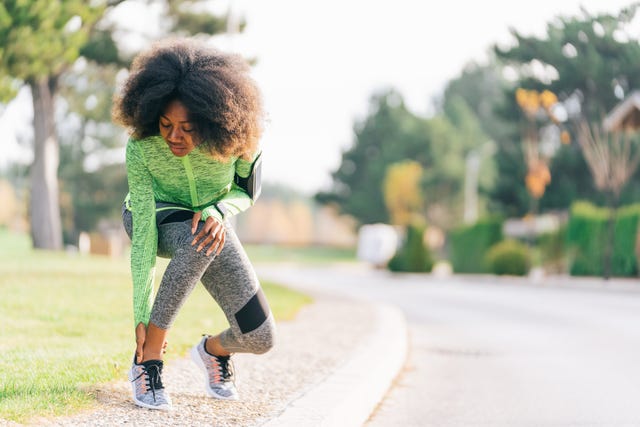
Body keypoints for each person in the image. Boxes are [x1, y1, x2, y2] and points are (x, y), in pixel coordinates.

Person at [112, 38, 275, 411]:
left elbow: (245, 192)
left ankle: (212, 351)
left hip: (210, 221)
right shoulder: (142, 145)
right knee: (196, 236)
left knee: (261, 337)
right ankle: (147, 360)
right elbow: (143, 241)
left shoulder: (240, 141)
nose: (173, 137)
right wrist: (141, 316)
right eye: (166, 124)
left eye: (187, 128)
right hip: (148, 215)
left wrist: (221, 211)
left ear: (211, 119)